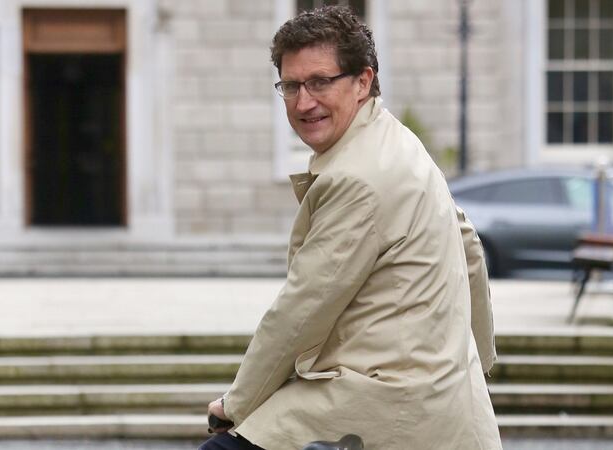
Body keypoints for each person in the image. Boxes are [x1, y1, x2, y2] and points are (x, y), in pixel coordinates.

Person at [199, 5, 501, 450]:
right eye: (291, 86)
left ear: (363, 80)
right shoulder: (397, 142)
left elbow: (302, 311)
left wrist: (237, 404)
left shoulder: (357, 177)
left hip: (387, 403)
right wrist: (476, 362)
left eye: (320, 82)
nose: (304, 102)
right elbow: (468, 246)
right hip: (441, 399)